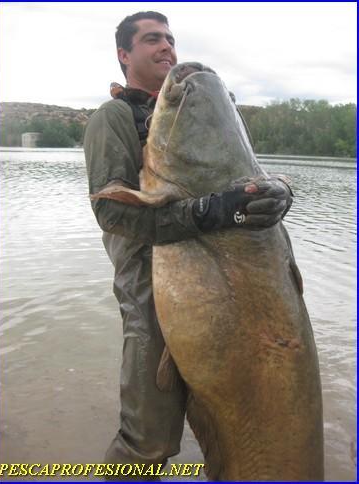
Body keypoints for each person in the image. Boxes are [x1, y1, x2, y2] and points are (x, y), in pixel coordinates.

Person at [83, 11, 293, 480]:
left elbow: (247, 175)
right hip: (148, 292)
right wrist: (211, 211)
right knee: (147, 442)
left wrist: (280, 192)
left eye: (171, 39)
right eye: (152, 39)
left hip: (227, 292)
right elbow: (112, 212)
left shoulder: (202, 110)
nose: (167, 47)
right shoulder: (112, 119)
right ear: (124, 55)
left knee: (242, 427)